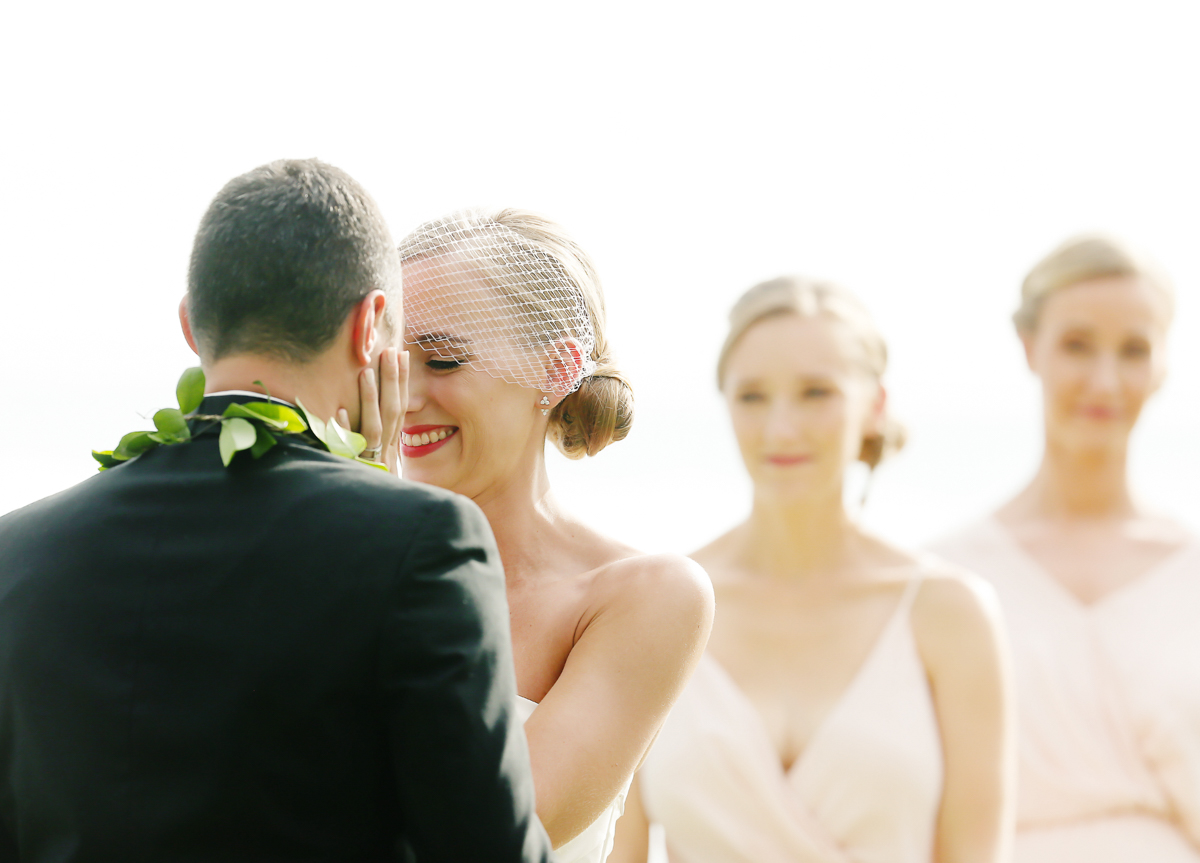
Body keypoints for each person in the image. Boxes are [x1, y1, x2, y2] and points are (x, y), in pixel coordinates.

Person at [0, 160, 554, 863]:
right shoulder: (422, 542)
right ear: (371, 325)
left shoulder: (14, 551)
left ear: (192, 328)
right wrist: (380, 499)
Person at [610, 276, 1015, 863]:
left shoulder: (949, 614)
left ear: (875, 406)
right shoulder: (657, 607)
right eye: (751, 396)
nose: (780, 429)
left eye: (816, 393)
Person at [392, 208, 714, 863]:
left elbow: (492, 832)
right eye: (388, 363)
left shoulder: (645, 595)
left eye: (444, 359)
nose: (405, 397)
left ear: (557, 366)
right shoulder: (339, 559)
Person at [930, 235, 1200, 862]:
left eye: (1133, 350)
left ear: (1162, 366)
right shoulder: (948, 576)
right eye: (1078, 345)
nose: (1104, 381)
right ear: (1030, 347)